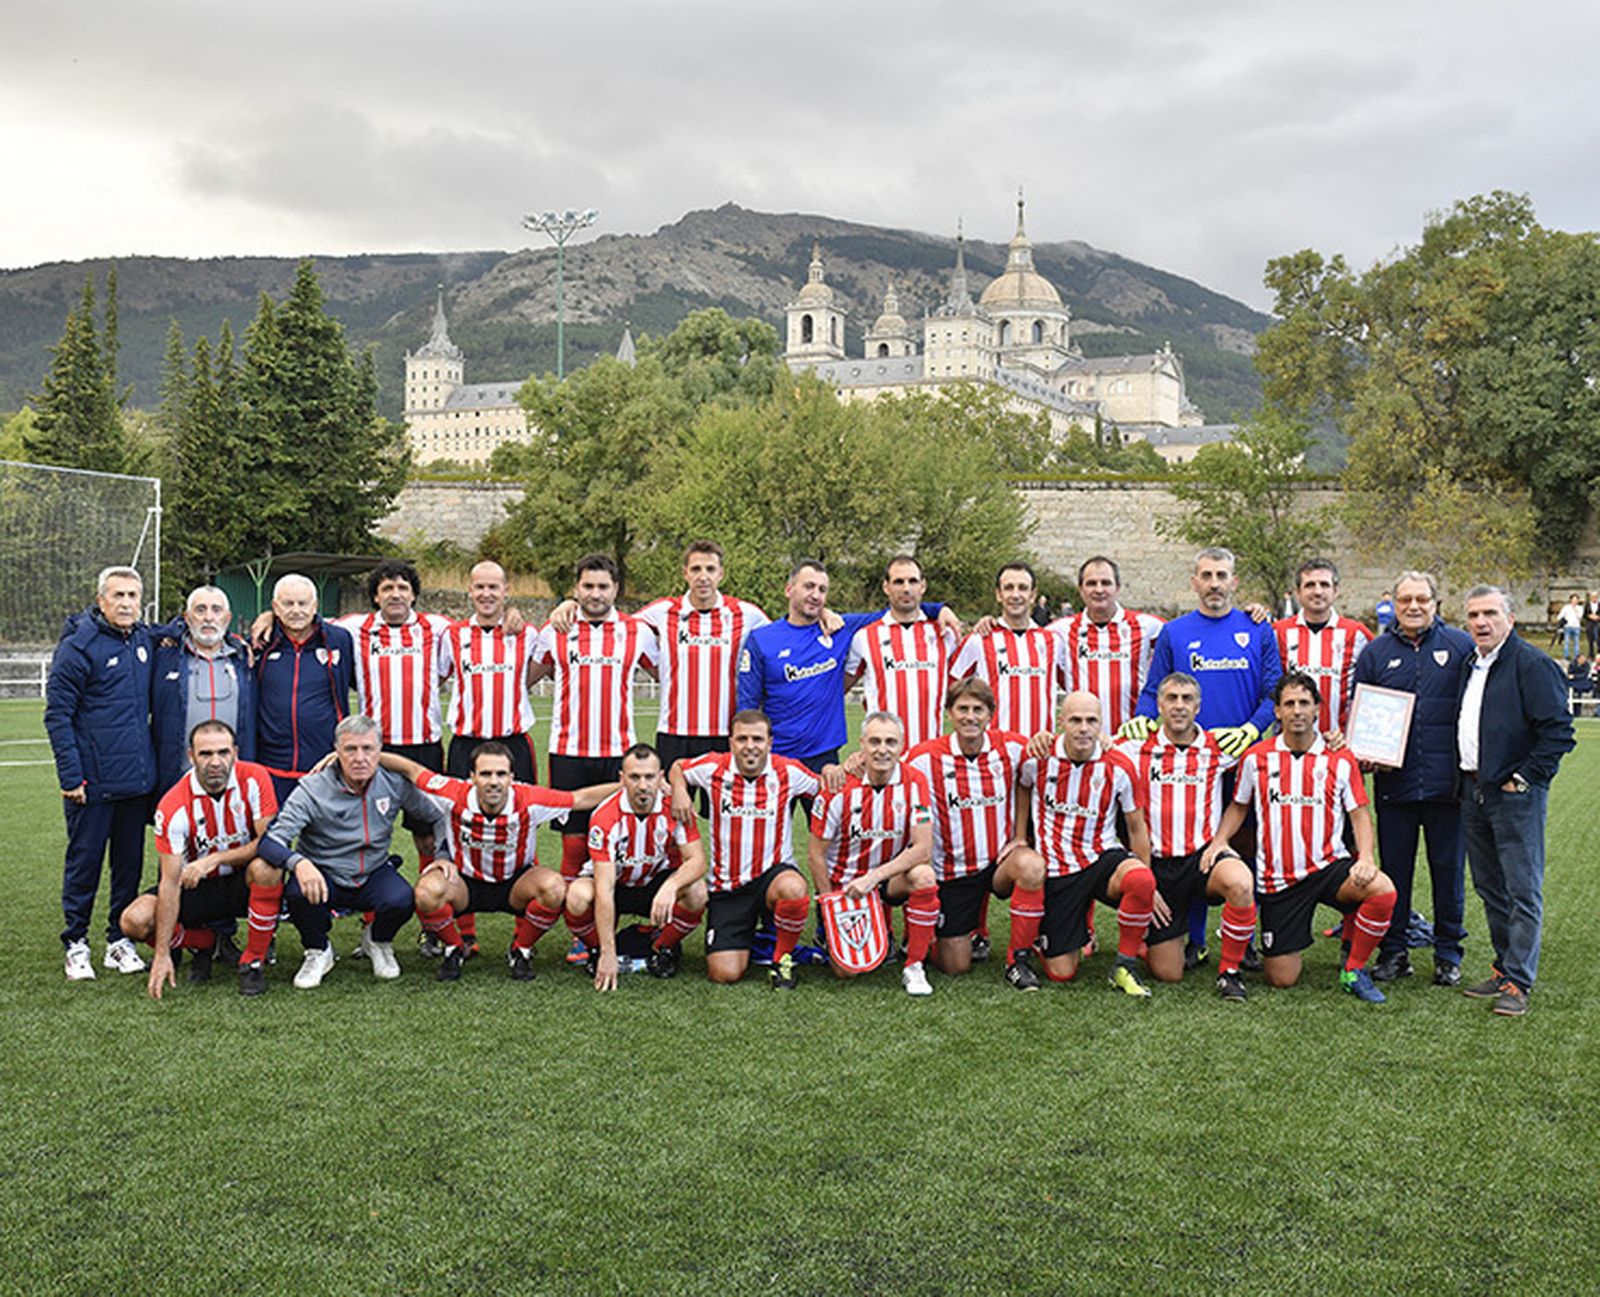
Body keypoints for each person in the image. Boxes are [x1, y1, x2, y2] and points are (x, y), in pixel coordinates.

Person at [1201, 673, 1396, 1003]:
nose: (1297, 711)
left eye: (1304, 703)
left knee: (1383, 890)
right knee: (1282, 978)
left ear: (1317, 708)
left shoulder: (1339, 758)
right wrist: (1220, 840)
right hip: (1280, 880)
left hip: (1328, 866)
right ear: (1277, 711)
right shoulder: (1256, 758)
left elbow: (1360, 813)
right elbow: (1239, 805)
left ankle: (1354, 969)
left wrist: (1365, 858)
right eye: (1289, 704)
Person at [1127, 547, 1280, 966]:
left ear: (1234, 581)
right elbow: (1154, 689)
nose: (1215, 583)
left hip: (1244, 761)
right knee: (1192, 847)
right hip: (1190, 765)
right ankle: (1194, 938)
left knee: (1250, 848)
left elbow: (1274, 692)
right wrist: (1140, 720)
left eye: (1222, 575)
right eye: (1207, 575)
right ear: (1194, 582)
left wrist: (1251, 730)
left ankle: (1245, 939)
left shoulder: (1257, 629)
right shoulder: (1175, 632)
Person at [367, 742, 617, 981]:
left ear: (511, 777)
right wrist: (368, 757)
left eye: (501, 774)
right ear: (472, 777)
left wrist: (626, 786)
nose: (494, 781)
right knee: (426, 892)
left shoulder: (529, 799)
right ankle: (454, 948)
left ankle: (521, 950)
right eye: (485, 774)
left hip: (514, 884)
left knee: (554, 887)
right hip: (465, 883)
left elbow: (579, 799)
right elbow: (412, 770)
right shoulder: (453, 792)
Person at [256, 714, 450, 988]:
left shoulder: (393, 783)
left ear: (380, 751)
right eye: (350, 749)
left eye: (367, 749)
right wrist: (299, 863)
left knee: (401, 899)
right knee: (298, 894)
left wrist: (443, 855)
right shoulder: (313, 788)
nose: (360, 758)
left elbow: (439, 815)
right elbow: (270, 841)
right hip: (324, 874)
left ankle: (377, 941)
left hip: (372, 871)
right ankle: (318, 949)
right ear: (336, 751)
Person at [1455, 585, 1575, 1016]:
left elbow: (1559, 732)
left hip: (1514, 795)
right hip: (1473, 790)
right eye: (1473, 615)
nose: (1481, 622)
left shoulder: (1532, 664)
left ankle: (1519, 982)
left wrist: (1522, 779)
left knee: (1522, 889)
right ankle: (1504, 967)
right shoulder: (1471, 664)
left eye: (1490, 613)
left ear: (1510, 618)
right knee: (1490, 887)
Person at [1351, 571, 1474, 985]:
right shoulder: (1376, 652)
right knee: (1395, 874)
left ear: (1436, 603)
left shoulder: (1460, 646)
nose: (1414, 607)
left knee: (1448, 873)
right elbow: (1361, 715)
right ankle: (1395, 951)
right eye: (1405, 600)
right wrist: (1366, 754)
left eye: (1422, 599)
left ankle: (1448, 954)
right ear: (1394, 604)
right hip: (1396, 786)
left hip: (1448, 787)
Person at [44, 565, 157, 981]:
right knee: (84, 865)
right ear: (101, 600)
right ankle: (76, 943)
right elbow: (57, 715)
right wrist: (71, 776)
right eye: (118, 595)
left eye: (133, 595)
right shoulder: (79, 646)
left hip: (135, 783)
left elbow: (183, 630)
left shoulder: (144, 639)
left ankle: (118, 941)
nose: (126, 603)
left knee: (128, 866)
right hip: (91, 784)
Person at [737, 559, 952, 776]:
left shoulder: (841, 629)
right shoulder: (761, 639)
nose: (815, 595)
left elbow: (899, 611)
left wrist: (939, 609)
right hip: (777, 755)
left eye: (822, 590)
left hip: (825, 758)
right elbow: (747, 705)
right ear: (789, 589)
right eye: (809, 586)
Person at [1118, 673, 1258, 1001]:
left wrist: (1221, 842)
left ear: (1198, 706)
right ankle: (1151, 940)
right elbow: (1090, 745)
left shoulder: (1217, 747)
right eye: (1171, 698)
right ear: (1159, 705)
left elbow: (1270, 753)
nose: (1179, 706)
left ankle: (1230, 972)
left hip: (1204, 859)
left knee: (1241, 882)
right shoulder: (1135, 748)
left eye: (1187, 699)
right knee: (1169, 973)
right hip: (1159, 866)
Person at [903, 678, 1048, 991]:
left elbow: (1054, 753)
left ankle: (1018, 961)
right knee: (955, 966)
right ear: (949, 713)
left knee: (1032, 866)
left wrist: (1047, 738)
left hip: (1000, 862)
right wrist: (853, 764)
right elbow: (888, 771)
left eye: (978, 709)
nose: (970, 716)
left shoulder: (1011, 747)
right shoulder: (925, 757)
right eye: (963, 709)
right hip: (954, 871)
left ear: (990, 714)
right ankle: (935, 935)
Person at [117, 721, 280, 997]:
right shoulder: (173, 805)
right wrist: (161, 953)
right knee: (134, 920)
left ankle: (252, 962)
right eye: (205, 754)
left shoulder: (255, 778)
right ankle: (203, 942)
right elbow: (170, 882)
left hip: (242, 882)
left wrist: (214, 860)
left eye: (223, 752)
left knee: (268, 867)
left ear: (235, 752)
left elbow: (269, 844)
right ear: (191, 756)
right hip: (196, 888)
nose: (215, 762)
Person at [1016, 691, 1161, 997]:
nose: (1084, 728)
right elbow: (1022, 788)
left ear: (1101, 724)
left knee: (1140, 881)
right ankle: (1052, 935)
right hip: (1058, 869)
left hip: (1101, 858)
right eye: (1076, 720)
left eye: (1091, 721)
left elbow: (1137, 829)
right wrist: (1019, 837)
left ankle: (1124, 965)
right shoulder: (1037, 758)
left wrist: (1150, 887)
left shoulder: (1119, 765)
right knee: (1061, 973)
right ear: (1061, 722)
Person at [669, 710, 823, 989]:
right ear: (731, 742)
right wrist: (679, 790)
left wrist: (835, 771)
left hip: (772, 878)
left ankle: (782, 959)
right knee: (724, 974)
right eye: (742, 739)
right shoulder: (714, 767)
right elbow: (678, 767)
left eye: (757, 739)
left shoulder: (788, 771)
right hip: (728, 887)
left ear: (769, 742)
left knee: (793, 887)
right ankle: (758, 941)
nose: (750, 746)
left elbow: (824, 788)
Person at [530, 553, 660, 882]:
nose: (595, 594)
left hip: (618, 754)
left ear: (615, 589)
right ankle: (575, 913)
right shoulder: (555, 629)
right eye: (588, 586)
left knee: (615, 840)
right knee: (573, 846)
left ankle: (607, 908)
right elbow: (524, 679)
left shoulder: (637, 631)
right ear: (576, 589)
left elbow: (668, 677)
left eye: (603, 586)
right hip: (568, 753)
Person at [335, 559, 455, 872]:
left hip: (424, 745)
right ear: (376, 596)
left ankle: (431, 894)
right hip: (375, 748)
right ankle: (370, 896)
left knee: (427, 834)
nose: (395, 594)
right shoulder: (354, 627)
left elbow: (481, 627)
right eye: (387, 588)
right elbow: (306, 621)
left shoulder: (437, 627)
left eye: (403, 587)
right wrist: (269, 616)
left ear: (413, 595)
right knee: (367, 830)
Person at [807, 711, 938, 995]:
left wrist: (873, 878)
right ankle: (841, 933)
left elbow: (923, 848)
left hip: (887, 880)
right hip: (847, 887)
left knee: (924, 875)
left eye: (891, 742)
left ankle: (914, 965)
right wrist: (829, 906)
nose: (882, 750)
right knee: (846, 971)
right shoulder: (838, 787)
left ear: (902, 745)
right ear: (862, 744)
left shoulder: (915, 782)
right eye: (875, 741)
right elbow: (816, 854)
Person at [569, 744, 708, 989]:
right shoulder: (605, 816)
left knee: (697, 892)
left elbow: (697, 861)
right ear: (622, 778)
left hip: (655, 884)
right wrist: (608, 953)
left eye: (649, 777)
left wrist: (671, 887)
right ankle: (597, 950)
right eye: (634, 777)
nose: (642, 785)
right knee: (577, 897)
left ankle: (662, 948)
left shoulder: (675, 807)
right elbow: (604, 888)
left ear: (661, 777)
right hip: (616, 885)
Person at [254, 573, 354, 806]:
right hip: (271, 766)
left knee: (324, 829)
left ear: (315, 606)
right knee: (275, 829)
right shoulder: (260, 642)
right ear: (275, 607)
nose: (296, 610)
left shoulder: (340, 639)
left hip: (325, 764)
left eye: (303, 603)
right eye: (288, 604)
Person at [150, 585, 257, 797]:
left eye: (216, 610)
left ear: (227, 618)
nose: (208, 617)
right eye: (200, 610)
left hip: (232, 779)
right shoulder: (163, 657)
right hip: (178, 780)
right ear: (187, 618)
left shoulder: (245, 658)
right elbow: (138, 632)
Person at [845, 554, 959, 750]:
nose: (906, 588)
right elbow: (838, 688)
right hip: (883, 755)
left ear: (923, 586)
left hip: (930, 753)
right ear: (886, 587)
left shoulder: (944, 634)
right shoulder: (864, 637)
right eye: (898, 582)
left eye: (912, 581)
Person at [443, 560, 540, 782]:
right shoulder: (452, 635)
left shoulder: (527, 634)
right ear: (470, 590)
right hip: (466, 745)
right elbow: (436, 676)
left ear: (506, 590)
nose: (486, 594)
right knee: (461, 805)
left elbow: (545, 667)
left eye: (493, 587)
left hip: (513, 744)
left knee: (519, 804)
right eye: (480, 587)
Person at [1052, 555, 1165, 737]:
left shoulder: (1148, 626)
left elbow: (1180, 646)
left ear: (1117, 588)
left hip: (1131, 739)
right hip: (1083, 741)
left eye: (1106, 583)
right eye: (1091, 583)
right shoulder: (1060, 630)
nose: (1099, 590)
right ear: (1081, 589)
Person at [951, 561, 1066, 739]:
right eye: (1009, 588)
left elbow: (1073, 683)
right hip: (995, 748)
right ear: (999, 594)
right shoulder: (979, 640)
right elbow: (951, 686)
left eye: (1023, 588)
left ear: (1033, 595)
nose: (1015, 594)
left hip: (1041, 748)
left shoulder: (1053, 641)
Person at [1272, 559, 1372, 737]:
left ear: (1336, 590)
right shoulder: (1278, 632)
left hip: (1339, 742)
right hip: (1290, 742)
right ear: (1298, 592)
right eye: (1310, 585)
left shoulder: (1357, 634)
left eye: (1324, 585)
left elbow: (1372, 690)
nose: (1317, 591)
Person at [1555, 593, 1584, 661]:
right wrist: (1559, 619)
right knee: (1567, 642)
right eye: (1573, 600)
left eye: (1576, 600)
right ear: (1570, 600)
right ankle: (1566, 656)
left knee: (1576, 643)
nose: (1574, 601)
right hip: (1568, 626)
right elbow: (1560, 615)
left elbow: (1580, 617)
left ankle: (1576, 656)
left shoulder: (1580, 608)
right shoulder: (1566, 607)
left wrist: (1575, 610)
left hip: (1576, 627)